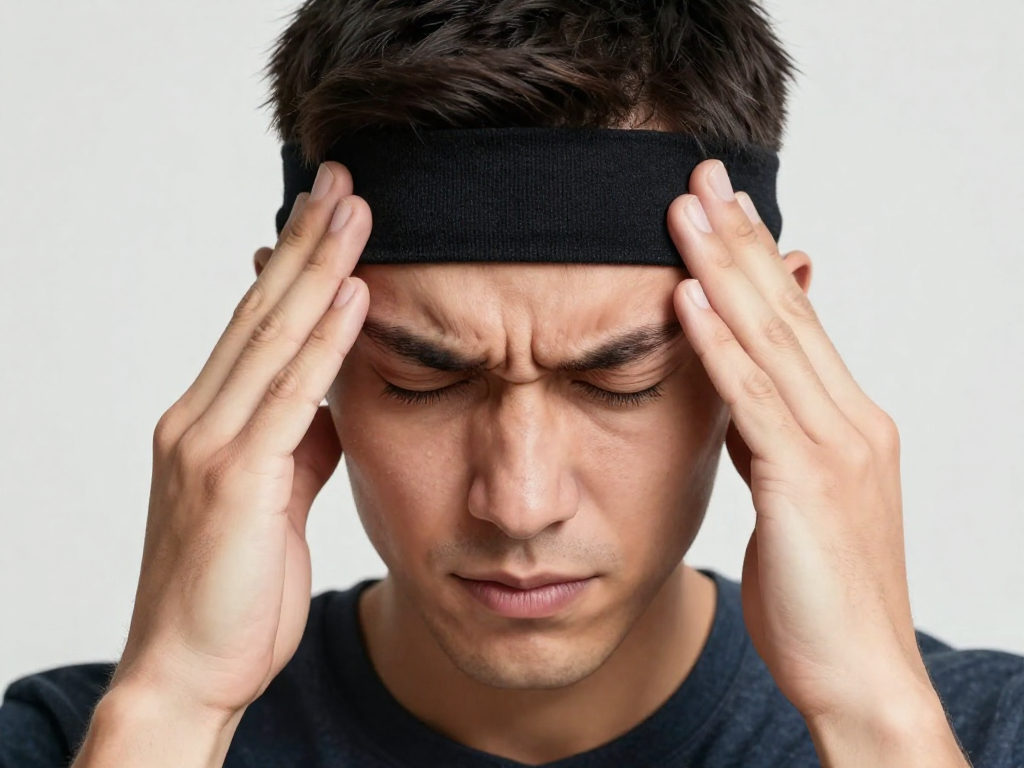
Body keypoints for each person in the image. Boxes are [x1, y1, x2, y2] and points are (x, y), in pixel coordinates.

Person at [2, 1, 1022, 766]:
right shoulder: (74, 741)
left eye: (621, 381)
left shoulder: (980, 735)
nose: (519, 502)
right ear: (284, 347)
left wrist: (875, 719)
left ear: (770, 350)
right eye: (419, 380)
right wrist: (176, 705)